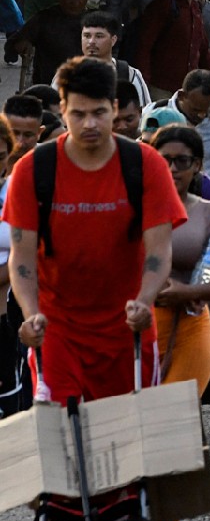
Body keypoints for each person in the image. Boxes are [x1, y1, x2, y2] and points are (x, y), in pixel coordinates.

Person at [4, 56, 184, 411]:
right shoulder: (33, 170)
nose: (89, 124)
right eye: (78, 114)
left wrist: (145, 301)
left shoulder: (145, 166)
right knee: (61, 439)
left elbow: (159, 251)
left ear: (114, 108)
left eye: (99, 113)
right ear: (63, 111)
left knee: (129, 441)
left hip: (127, 330)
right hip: (58, 332)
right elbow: (21, 256)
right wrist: (31, 313)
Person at [148, 124, 210, 396]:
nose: (172, 169)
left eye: (181, 161)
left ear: (197, 165)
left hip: (191, 326)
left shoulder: (209, 213)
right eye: (164, 160)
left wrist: (190, 292)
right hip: (138, 327)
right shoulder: (132, 209)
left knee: (176, 414)